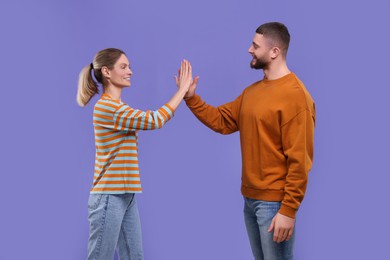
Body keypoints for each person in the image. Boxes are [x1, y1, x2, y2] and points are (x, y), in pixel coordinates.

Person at [181, 22, 316, 259]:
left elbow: (300, 160)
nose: (249, 50)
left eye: (255, 46)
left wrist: (289, 210)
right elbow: (222, 120)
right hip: (250, 200)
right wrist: (191, 98)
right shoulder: (252, 92)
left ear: (274, 52)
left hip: (275, 205)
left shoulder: (296, 97)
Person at [77, 48, 192, 260]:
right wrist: (182, 90)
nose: (130, 71)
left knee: (134, 256)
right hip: (109, 196)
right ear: (107, 72)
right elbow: (155, 120)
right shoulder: (107, 108)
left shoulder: (119, 107)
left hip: (126, 194)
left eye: (129, 66)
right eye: (123, 67)